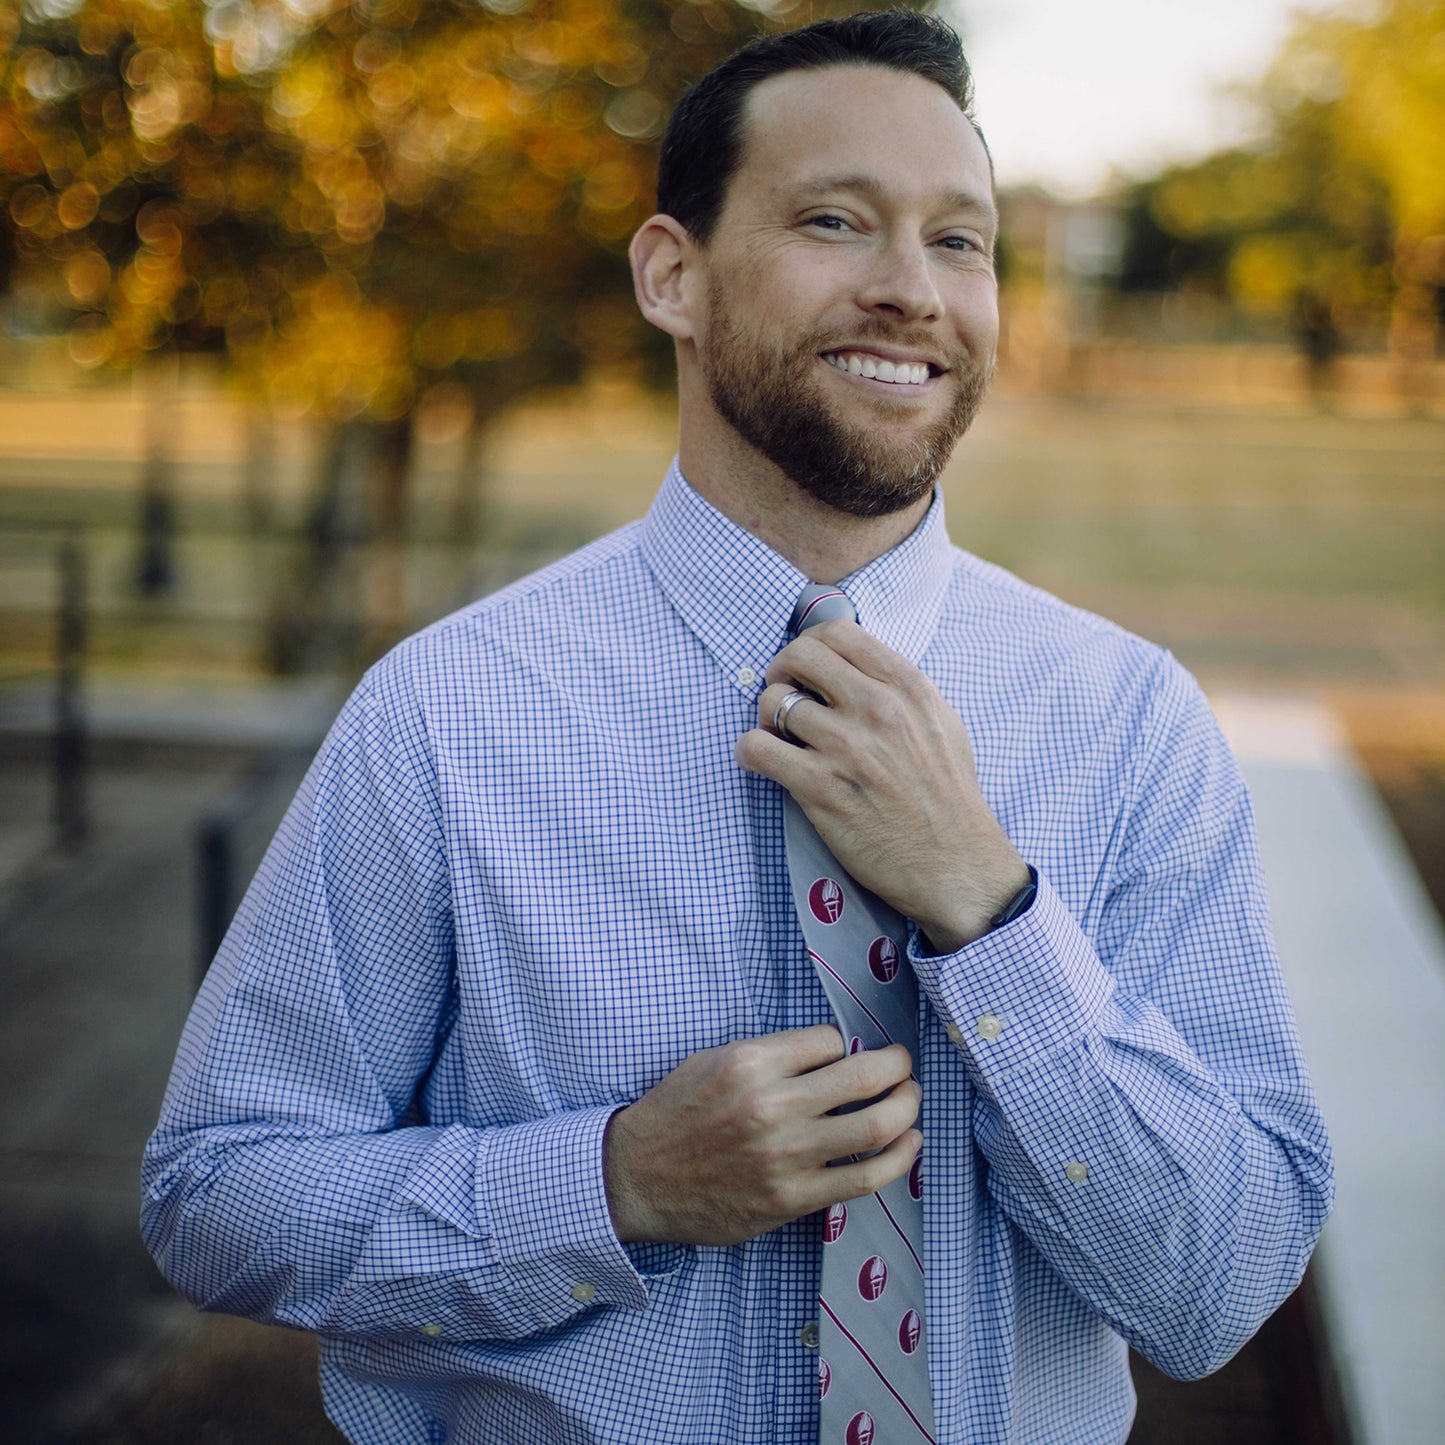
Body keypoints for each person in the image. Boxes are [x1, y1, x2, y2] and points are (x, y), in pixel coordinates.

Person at [142, 13, 1333, 1444]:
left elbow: (1218, 1287)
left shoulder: (1130, 723)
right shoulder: (449, 712)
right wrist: (610, 1184)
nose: (911, 290)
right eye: (837, 221)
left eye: (960, 243)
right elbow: (219, 1190)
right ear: (672, 275)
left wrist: (989, 907)